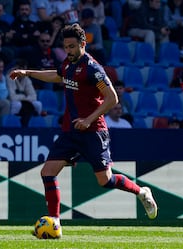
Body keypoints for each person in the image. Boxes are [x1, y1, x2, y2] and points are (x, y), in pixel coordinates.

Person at [9, 24, 158, 234]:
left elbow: (112, 98)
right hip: (71, 131)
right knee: (47, 172)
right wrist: (28, 73)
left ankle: (141, 191)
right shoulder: (69, 64)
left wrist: (89, 119)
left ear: (83, 44)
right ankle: (55, 222)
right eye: (66, 46)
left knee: (104, 180)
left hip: (93, 131)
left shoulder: (93, 68)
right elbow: (57, 75)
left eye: (72, 46)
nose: (68, 50)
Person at [6, 59, 42, 127]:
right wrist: (25, 97)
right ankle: (12, 122)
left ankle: (35, 124)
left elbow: (34, 96)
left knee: (38, 104)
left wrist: (23, 98)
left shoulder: (27, 79)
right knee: (17, 104)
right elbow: (12, 97)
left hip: (25, 102)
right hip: (11, 102)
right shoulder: (10, 77)